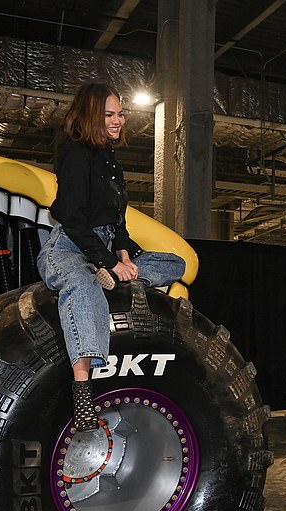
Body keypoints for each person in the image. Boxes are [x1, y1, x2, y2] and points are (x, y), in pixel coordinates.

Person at [37, 82, 186, 432]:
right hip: (71, 246)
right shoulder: (76, 154)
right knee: (82, 286)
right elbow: (71, 218)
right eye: (109, 114)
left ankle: (116, 278)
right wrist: (106, 260)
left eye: (120, 114)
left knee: (173, 263)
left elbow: (117, 219)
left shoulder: (109, 158)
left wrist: (123, 254)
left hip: (104, 246)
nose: (118, 120)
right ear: (91, 116)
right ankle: (83, 390)